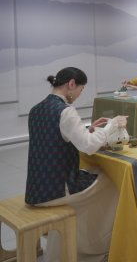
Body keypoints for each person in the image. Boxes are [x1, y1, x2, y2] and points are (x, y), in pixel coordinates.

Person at [26, 67, 127, 262]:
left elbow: (55, 138)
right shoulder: (66, 111)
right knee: (112, 181)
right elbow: (88, 146)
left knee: (92, 173)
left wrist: (88, 129)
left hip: (35, 188)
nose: (80, 94)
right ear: (71, 84)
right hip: (57, 191)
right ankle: (95, 247)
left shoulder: (35, 109)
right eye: (81, 89)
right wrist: (112, 125)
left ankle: (77, 244)